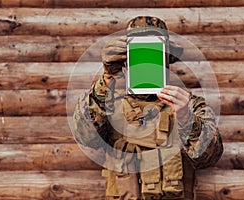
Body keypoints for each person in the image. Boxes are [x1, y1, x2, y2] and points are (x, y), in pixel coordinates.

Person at [73, 16, 223, 200]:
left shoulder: (188, 104)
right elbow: (85, 137)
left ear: (166, 59)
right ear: (125, 60)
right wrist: (106, 79)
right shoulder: (107, 105)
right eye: (138, 54)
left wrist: (186, 117)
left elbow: (209, 157)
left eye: (153, 54)